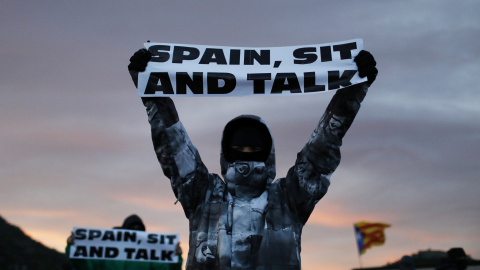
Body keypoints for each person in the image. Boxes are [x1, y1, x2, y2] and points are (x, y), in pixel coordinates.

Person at [128, 46, 378, 270]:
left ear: (267, 151)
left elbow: (323, 147)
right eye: (238, 146)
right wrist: (151, 92)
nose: (246, 152)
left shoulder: (288, 197)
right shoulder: (203, 193)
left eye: (254, 146)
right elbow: (174, 144)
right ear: (226, 150)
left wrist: (353, 91)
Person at [66, 214, 183, 270]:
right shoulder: (104, 253)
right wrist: (73, 247)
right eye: (132, 228)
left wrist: (175, 256)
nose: (135, 231)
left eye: (139, 230)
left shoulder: (151, 258)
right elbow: (84, 267)